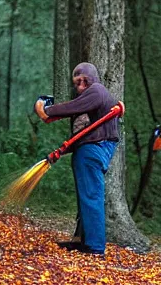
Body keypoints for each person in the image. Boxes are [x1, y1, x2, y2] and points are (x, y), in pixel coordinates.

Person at [34, 62, 119, 257]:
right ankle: (83, 240)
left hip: (94, 150)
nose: (80, 85)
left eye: (84, 80)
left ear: (93, 79)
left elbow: (71, 108)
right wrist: (60, 152)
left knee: (91, 196)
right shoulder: (86, 102)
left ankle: (96, 247)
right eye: (77, 82)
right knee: (85, 198)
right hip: (86, 149)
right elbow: (81, 135)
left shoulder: (96, 91)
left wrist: (46, 110)